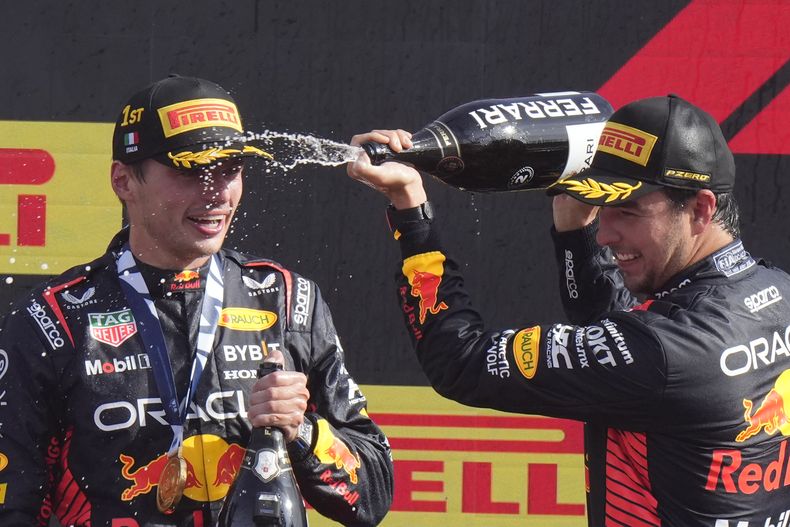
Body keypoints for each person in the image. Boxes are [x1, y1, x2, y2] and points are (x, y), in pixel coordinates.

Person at [346, 95, 790, 526]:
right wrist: (575, 229)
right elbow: (625, 350)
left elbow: (459, 362)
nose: (606, 233)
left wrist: (412, 212)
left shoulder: (667, 354)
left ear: (700, 209)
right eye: (602, 206)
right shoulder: (776, 291)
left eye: (628, 211)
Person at [0, 74, 393, 527]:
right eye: (191, 170)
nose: (218, 191)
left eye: (231, 169)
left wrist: (300, 430)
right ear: (124, 181)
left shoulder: (287, 299)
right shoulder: (53, 319)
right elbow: (14, 505)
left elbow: (373, 495)